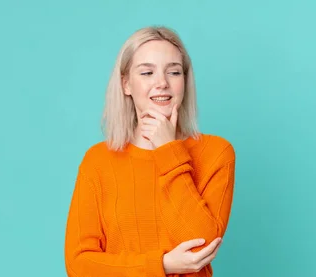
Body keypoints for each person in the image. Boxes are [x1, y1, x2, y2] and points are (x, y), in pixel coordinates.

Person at [64, 26, 236, 277]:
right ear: (126, 84)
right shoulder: (99, 160)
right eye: (147, 72)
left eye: (174, 72)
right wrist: (162, 265)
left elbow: (201, 244)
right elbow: (79, 265)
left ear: (185, 82)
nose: (162, 83)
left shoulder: (217, 153)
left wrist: (169, 150)